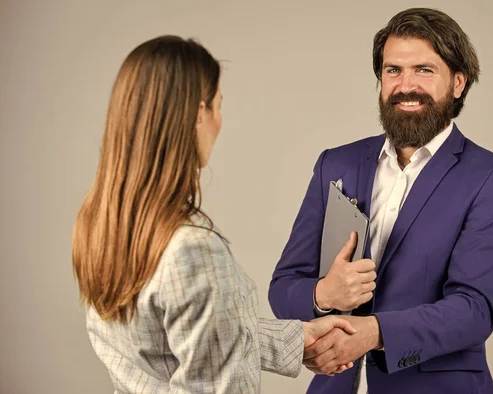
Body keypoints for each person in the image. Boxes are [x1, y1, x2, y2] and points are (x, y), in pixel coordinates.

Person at [71, 35, 356, 394]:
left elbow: (172, 342)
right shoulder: (192, 250)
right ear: (197, 114)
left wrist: (297, 338)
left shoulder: (99, 224)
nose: (220, 121)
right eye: (218, 106)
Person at [269, 7, 493, 394]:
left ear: (458, 82)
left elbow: (474, 310)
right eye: (393, 70)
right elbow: (284, 286)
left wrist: (374, 332)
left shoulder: (492, 177)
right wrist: (324, 295)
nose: (406, 85)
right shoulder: (334, 164)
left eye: (424, 70)